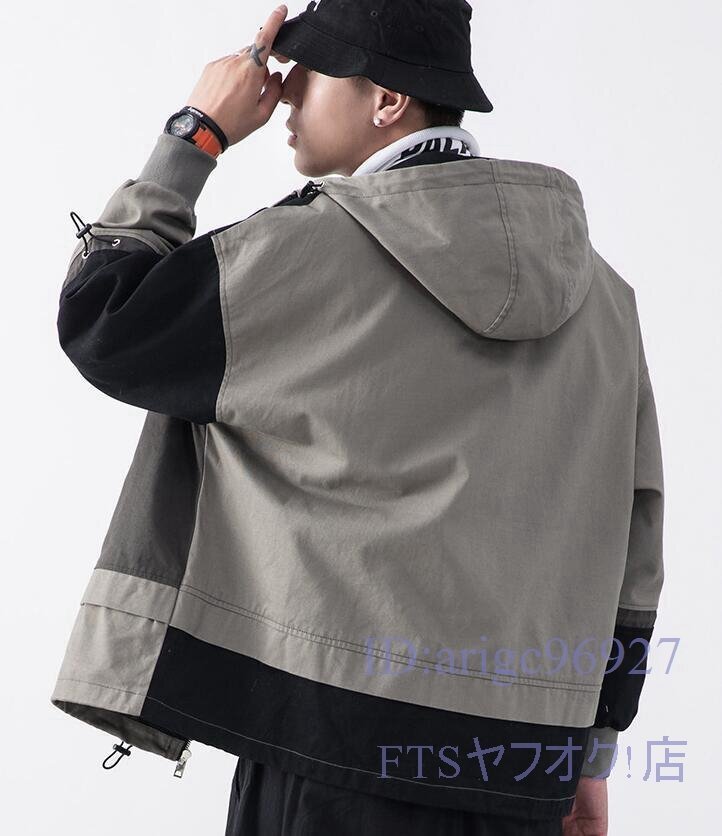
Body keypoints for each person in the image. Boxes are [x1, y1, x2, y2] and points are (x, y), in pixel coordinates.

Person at [50, 2, 664, 835]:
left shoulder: (306, 251)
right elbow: (630, 539)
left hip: (331, 755)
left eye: (314, 66)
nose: (287, 88)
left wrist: (197, 131)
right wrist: (590, 753)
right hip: (520, 770)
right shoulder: (605, 299)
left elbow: (105, 318)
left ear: (387, 100)